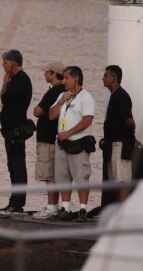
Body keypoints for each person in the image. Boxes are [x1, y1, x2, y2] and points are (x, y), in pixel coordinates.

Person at [48, 66, 96, 222]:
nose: (64, 81)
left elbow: (88, 120)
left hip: (78, 142)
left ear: (76, 79)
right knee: (63, 176)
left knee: (81, 176)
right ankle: (66, 208)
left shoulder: (86, 97)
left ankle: (83, 209)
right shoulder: (63, 95)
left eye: (67, 78)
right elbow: (51, 115)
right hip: (62, 143)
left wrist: (68, 133)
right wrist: (62, 101)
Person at [0, 49, 33, 216]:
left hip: (16, 130)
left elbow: (5, 98)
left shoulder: (20, 79)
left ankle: (18, 204)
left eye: (5, 63)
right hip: (9, 130)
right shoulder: (15, 79)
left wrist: (5, 83)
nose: (3, 66)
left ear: (12, 63)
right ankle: (13, 201)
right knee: (12, 166)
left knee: (18, 166)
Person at [31, 61, 65, 219]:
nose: (44, 74)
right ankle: (55, 206)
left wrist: (41, 111)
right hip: (56, 138)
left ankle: (52, 207)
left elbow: (37, 111)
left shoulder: (54, 92)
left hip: (48, 139)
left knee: (49, 175)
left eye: (46, 72)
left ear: (53, 73)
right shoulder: (63, 90)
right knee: (54, 174)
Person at [101, 65, 136, 202]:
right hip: (112, 143)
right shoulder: (114, 96)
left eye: (106, 76)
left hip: (121, 144)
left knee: (122, 180)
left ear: (114, 79)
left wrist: (130, 135)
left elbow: (129, 121)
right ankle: (118, 211)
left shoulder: (121, 96)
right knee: (115, 181)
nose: (103, 78)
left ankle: (123, 212)